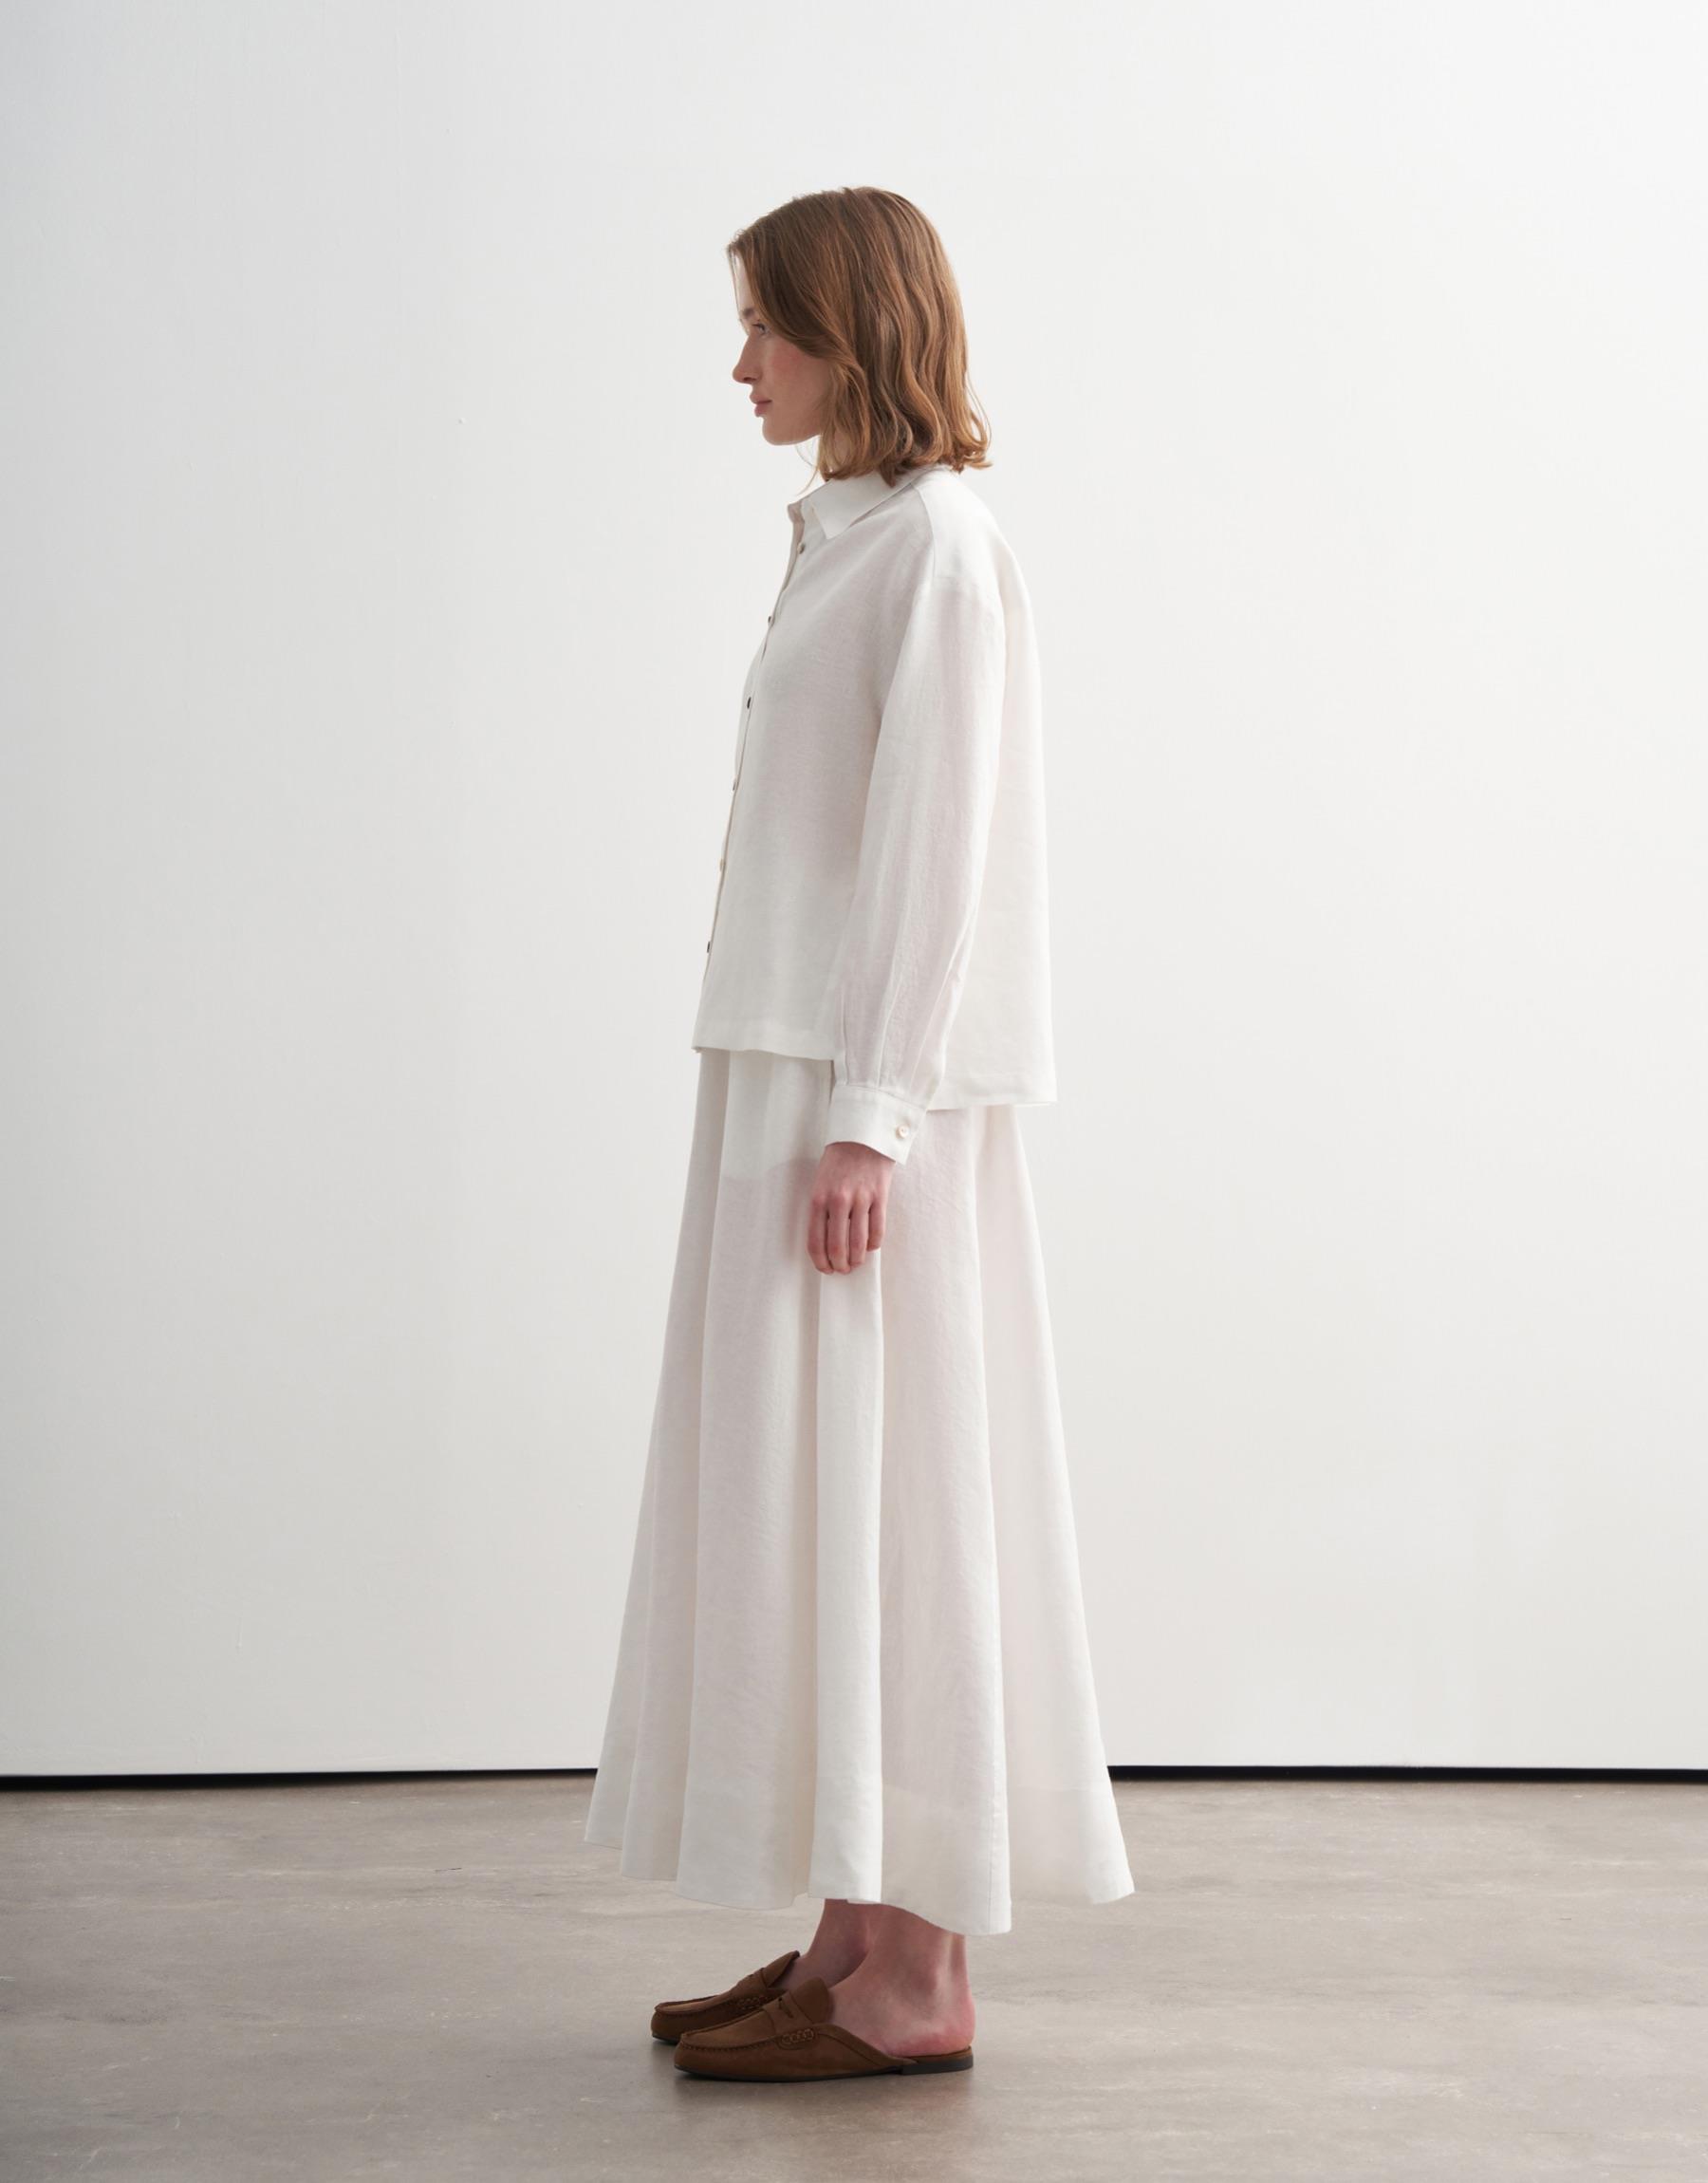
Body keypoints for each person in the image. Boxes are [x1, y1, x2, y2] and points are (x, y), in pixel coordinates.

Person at [584, 186, 1133, 2085]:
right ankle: (849, 1938)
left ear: (853, 329)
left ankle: (921, 1980)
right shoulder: (852, 539)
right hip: (794, 1072)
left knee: (900, 1496)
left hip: (861, 1099)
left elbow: (936, 852)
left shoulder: (942, 552)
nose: (741, 364)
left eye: (766, 325)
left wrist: (873, 1117)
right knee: (824, 1496)